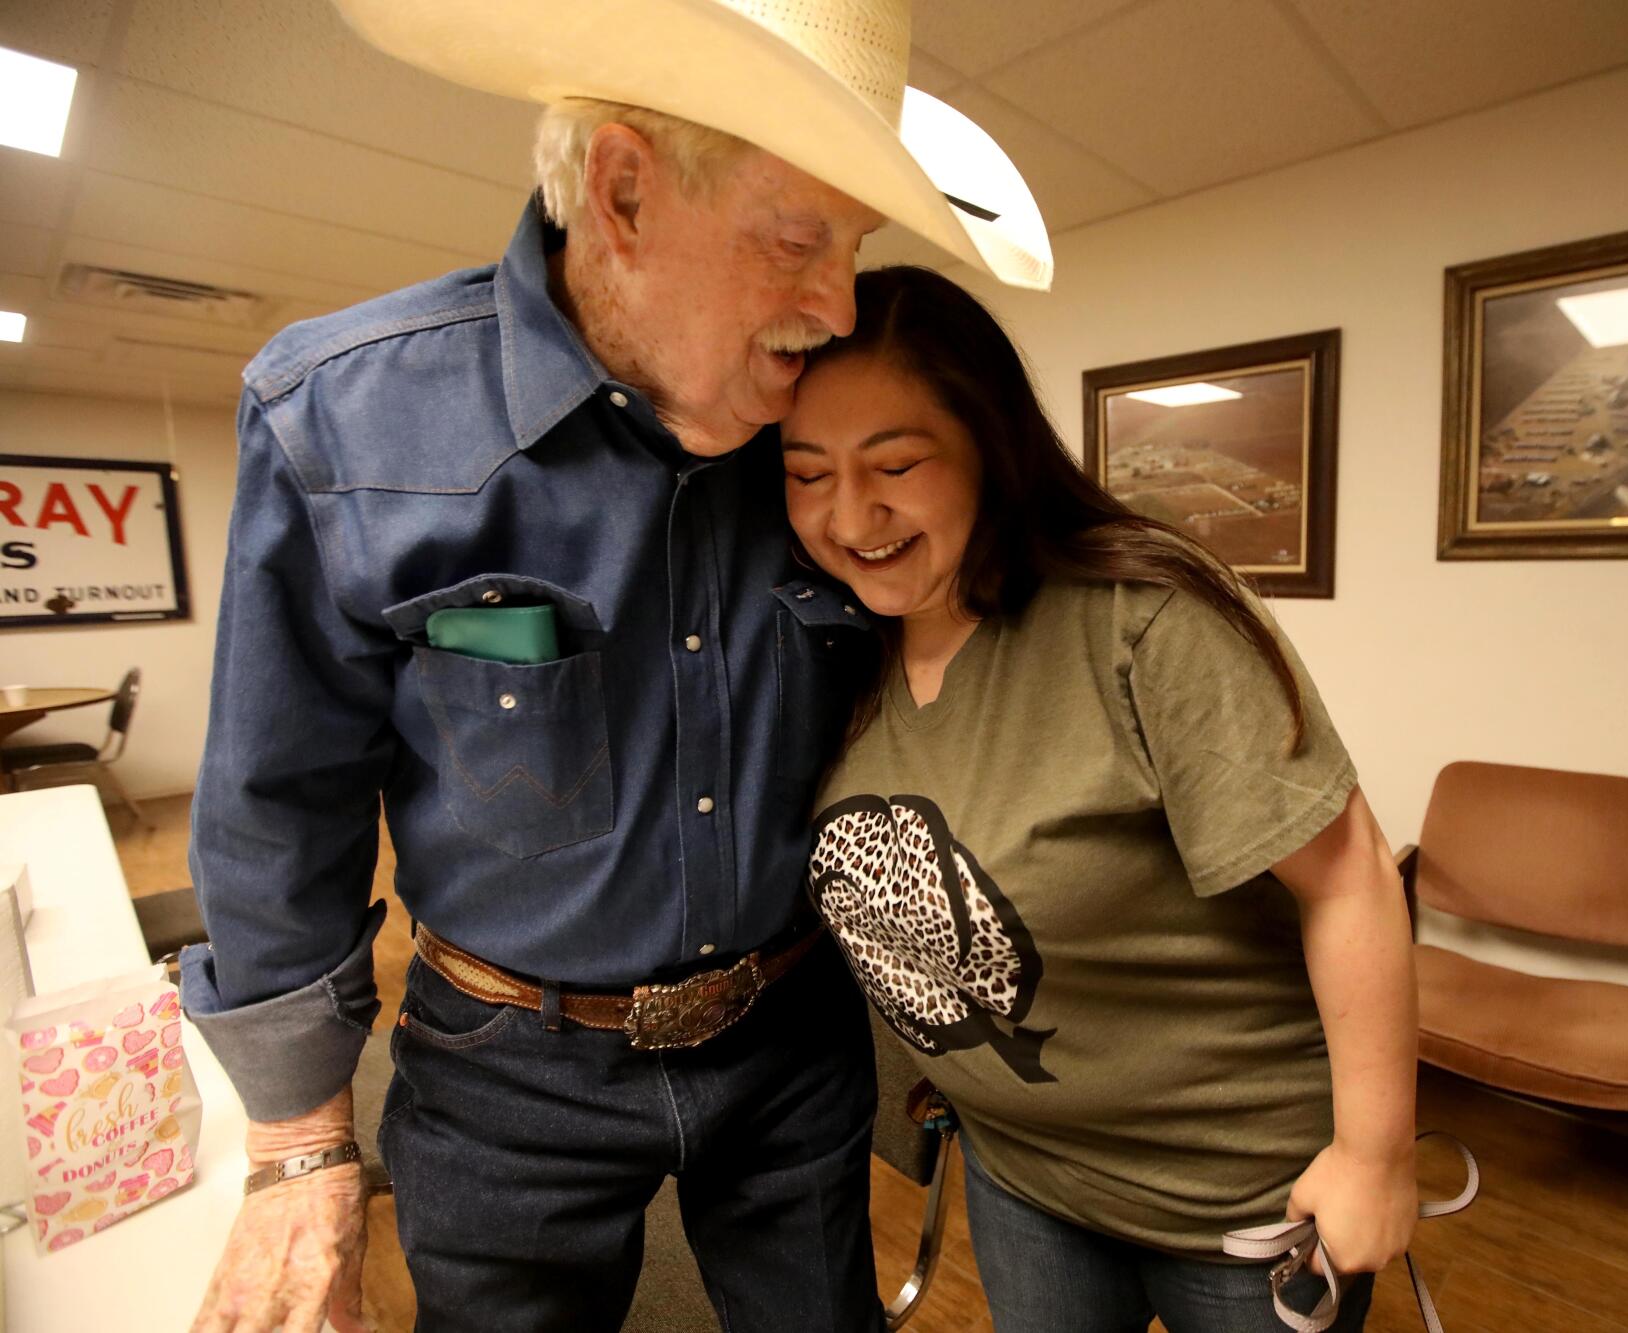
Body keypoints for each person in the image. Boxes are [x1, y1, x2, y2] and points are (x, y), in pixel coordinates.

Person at [179, 3, 1050, 1329]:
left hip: (790, 1031)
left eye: (852, 252)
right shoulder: (342, 416)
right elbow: (276, 798)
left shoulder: (827, 437)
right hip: (502, 1068)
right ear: (626, 191)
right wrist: (299, 1146)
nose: (836, 307)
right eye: (799, 240)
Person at [780, 266, 1420, 1332]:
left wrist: (1374, 1154)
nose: (852, 515)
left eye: (895, 463)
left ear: (990, 443)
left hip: (1237, 1198)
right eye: (807, 475)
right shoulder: (833, 651)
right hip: (1026, 1178)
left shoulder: (1140, 619)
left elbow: (1349, 877)